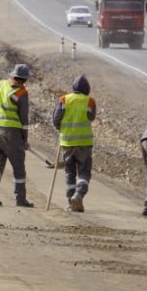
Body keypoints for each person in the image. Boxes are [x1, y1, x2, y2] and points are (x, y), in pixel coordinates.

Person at [0, 64, 34, 207]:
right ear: (23, 80)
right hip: (12, 134)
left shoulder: (0, 85)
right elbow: (24, 120)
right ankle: (20, 199)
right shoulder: (21, 93)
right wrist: (25, 140)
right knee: (18, 167)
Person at [52, 75, 96, 212]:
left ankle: (71, 203)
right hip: (84, 143)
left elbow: (55, 119)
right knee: (84, 173)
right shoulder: (90, 101)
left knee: (69, 173)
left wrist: (62, 129)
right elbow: (91, 117)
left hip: (67, 142)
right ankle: (79, 195)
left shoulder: (64, 100)